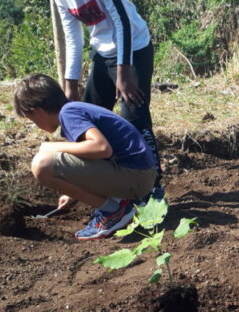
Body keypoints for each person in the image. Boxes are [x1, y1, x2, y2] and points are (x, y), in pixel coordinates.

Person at [13, 74, 157, 240]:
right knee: (58, 156)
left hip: (135, 178)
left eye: (31, 119)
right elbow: (90, 159)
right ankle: (121, 204)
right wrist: (72, 193)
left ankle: (113, 211)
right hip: (140, 176)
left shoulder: (68, 114)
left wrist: (51, 146)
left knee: (42, 164)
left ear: (37, 112)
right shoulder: (73, 109)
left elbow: (101, 148)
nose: (35, 125)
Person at [50, 0, 162, 194]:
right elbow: (73, 37)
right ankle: (102, 184)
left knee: (134, 119)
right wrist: (71, 86)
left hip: (134, 50)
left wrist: (124, 74)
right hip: (102, 53)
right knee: (88, 119)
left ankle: (153, 187)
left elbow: (124, 23)